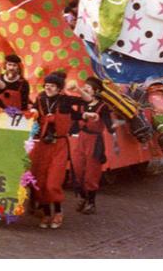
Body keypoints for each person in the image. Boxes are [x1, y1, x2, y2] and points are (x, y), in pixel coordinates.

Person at [29, 71, 82, 229]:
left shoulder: (64, 100)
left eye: (52, 86)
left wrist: (80, 92)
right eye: (46, 85)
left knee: (53, 182)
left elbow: (82, 106)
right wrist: (32, 113)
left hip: (59, 145)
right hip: (43, 145)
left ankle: (58, 212)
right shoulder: (40, 99)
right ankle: (46, 214)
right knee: (40, 181)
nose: (48, 88)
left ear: (58, 88)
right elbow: (33, 112)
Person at [72, 77, 115, 215]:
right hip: (81, 139)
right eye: (84, 86)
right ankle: (83, 198)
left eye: (88, 87)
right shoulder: (82, 105)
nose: (85, 89)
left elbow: (110, 126)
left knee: (92, 172)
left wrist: (113, 127)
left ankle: (91, 203)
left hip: (95, 141)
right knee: (78, 170)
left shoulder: (103, 107)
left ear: (95, 91)